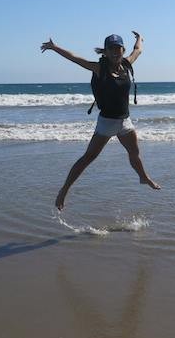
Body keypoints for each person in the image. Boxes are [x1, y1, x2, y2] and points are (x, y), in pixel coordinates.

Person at [41, 31, 161, 210]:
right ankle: (64, 190)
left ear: (122, 49)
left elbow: (138, 50)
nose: (115, 52)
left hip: (125, 121)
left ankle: (143, 177)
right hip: (106, 123)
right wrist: (54, 47)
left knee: (135, 153)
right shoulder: (99, 69)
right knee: (88, 158)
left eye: (118, 49)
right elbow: (75, 58)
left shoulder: (127, 65)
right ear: (105, 51)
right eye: (110, 49)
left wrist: (140, 38)